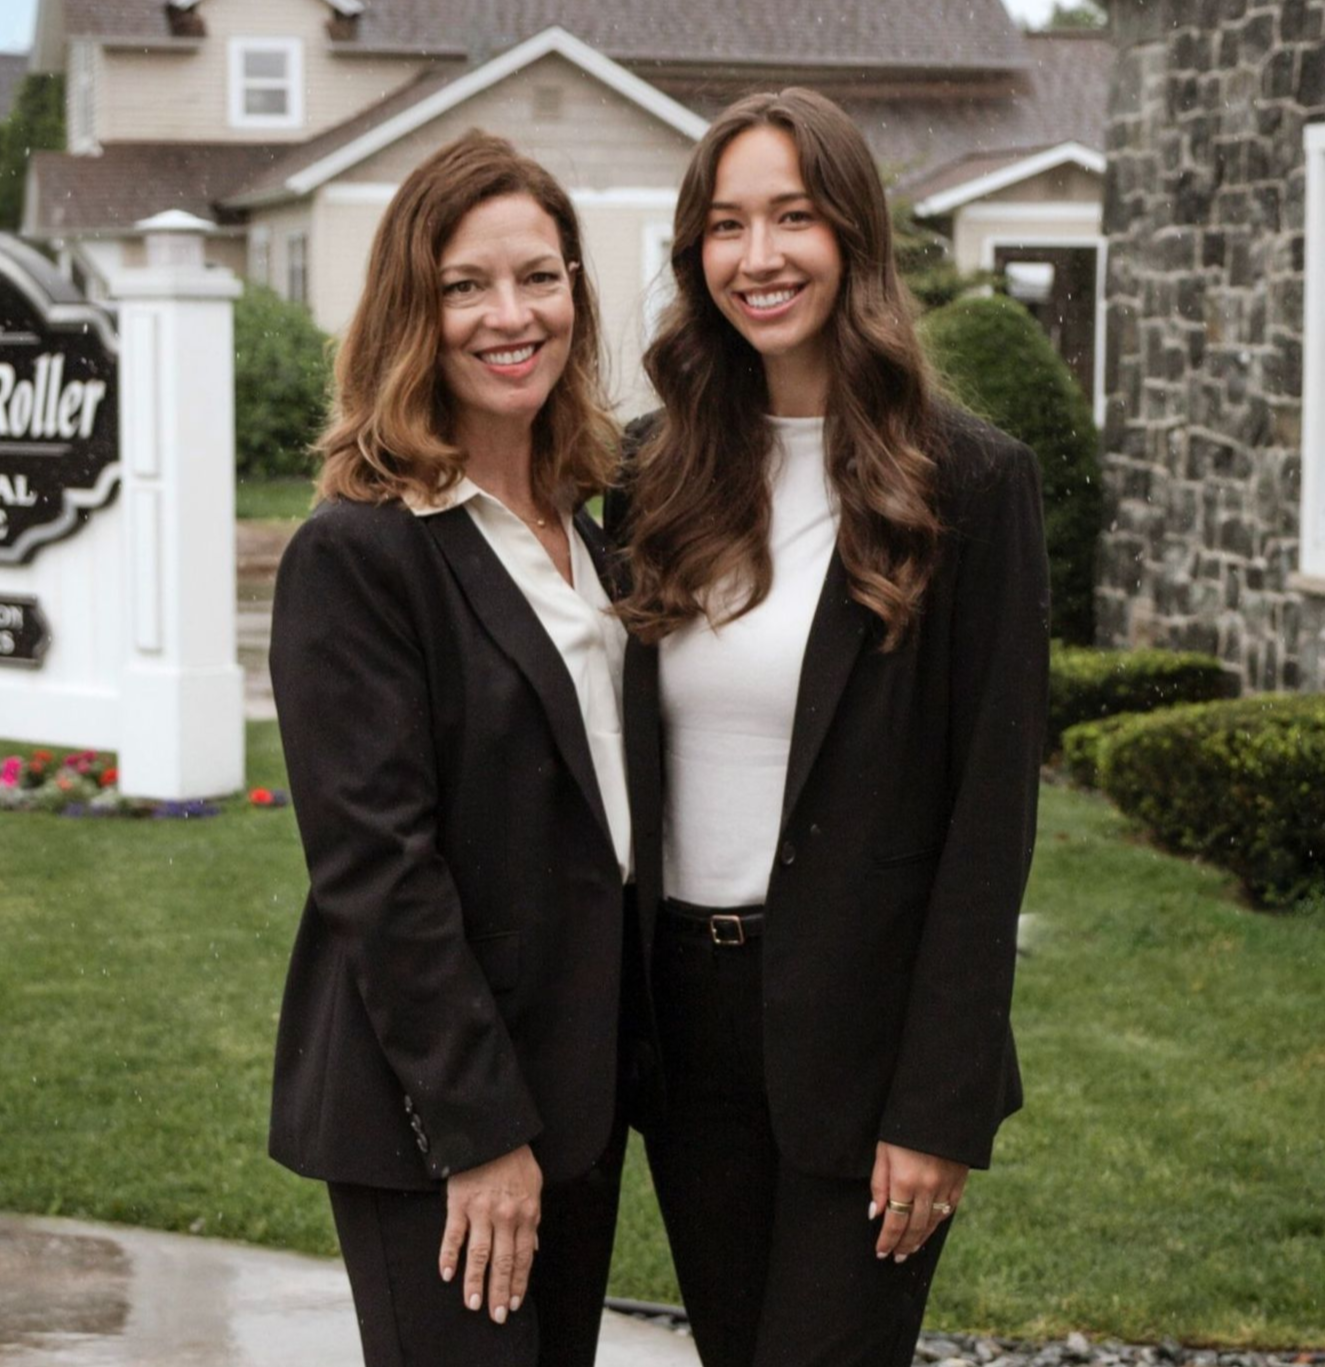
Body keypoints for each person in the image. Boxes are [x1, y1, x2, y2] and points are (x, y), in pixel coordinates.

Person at [611, 89, 1050, 1367]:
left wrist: (936, 1103)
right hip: (687, 1026)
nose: (759, 258)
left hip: (868, 1043)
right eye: (726, 225)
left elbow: (989, 820)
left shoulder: (967, 480)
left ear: (851, 232)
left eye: (792, 216)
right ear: (695, 254)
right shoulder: (651, 470)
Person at [268, 131, 636, 1367]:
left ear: (576, 289)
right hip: (434, 1112)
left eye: (538, 275)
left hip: (577, 1090)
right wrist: (479, 1134)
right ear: (408, 314)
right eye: (464, 286)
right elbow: (379, 868)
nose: (508, 315)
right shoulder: (361, 551)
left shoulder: (592, 528)